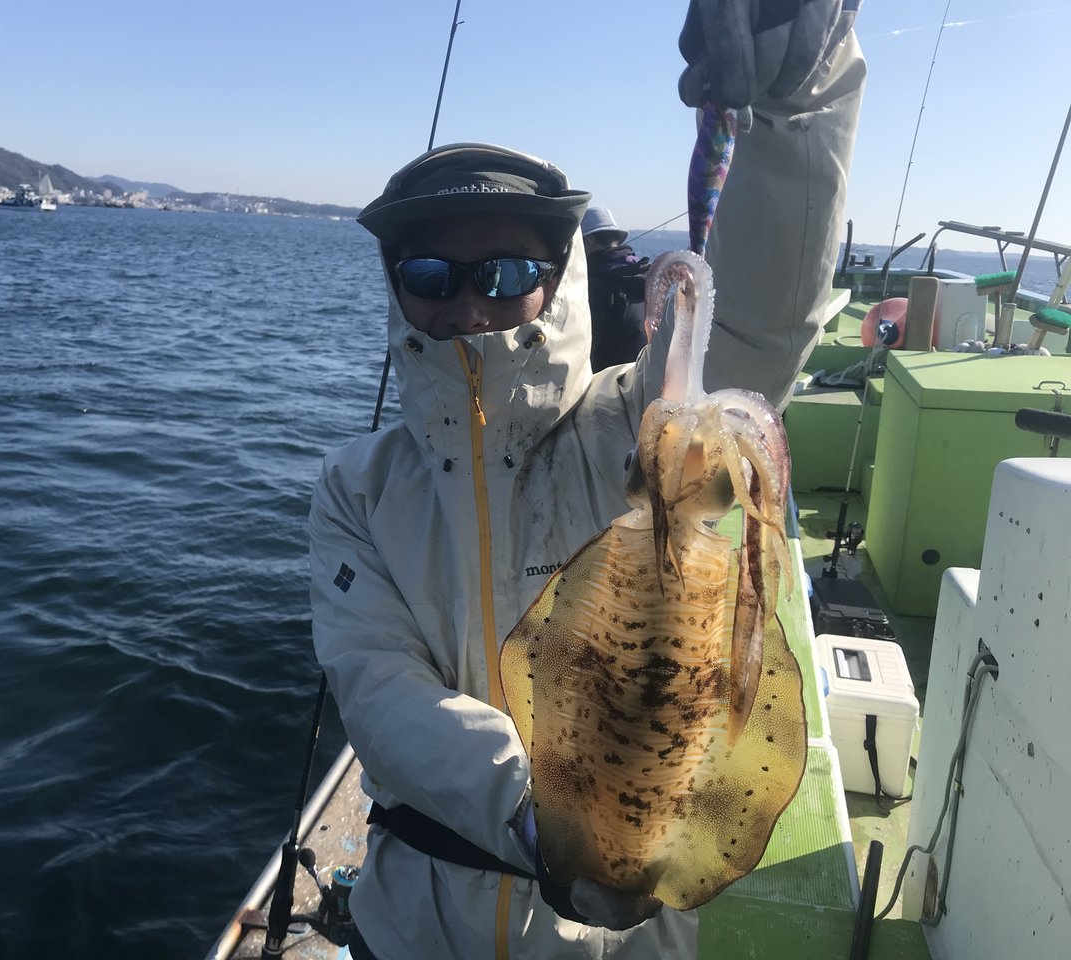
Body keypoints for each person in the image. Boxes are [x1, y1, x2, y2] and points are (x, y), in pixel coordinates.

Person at [309, 3, 865, 957]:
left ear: (558, 277)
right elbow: (378, 686)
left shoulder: (636, 425)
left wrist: (797, 103)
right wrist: (545, 820)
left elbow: (760, 318)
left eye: (505, 271)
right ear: (397, 286)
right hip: (410, 929)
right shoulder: (359, 487)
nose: (469, 305)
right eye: (431, 272)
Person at [580, 206, 650, 372]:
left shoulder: (596, 287)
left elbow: (583, 351)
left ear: (587, 242)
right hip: (643, 376)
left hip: (607, 382)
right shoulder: (644, 275)